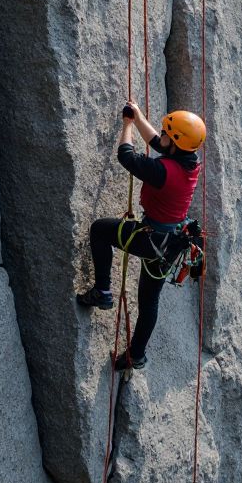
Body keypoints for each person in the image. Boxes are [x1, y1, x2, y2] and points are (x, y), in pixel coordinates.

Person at [77, 102, 206, 370]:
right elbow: (161, 144)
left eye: (167, 132)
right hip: (170, 244)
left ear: (178, 142)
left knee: (100, 230)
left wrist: (126, 126)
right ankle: (135, 355)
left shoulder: (163, 172)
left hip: (151, 239)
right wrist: (138, 118)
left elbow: (126, 156)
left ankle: (102, 290)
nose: (162, 134)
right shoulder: (190, 161)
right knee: (149, 300)